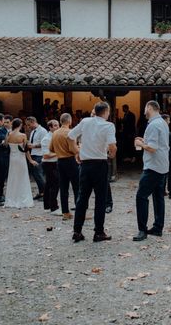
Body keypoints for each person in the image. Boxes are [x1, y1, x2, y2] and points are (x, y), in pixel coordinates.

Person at [68, 102, 117, 243]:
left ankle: (77, 231)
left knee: (82, 198)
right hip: (100, 164)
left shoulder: (85, 121)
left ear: (95, 111)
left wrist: (77, 152)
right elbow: (112, 146)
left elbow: (71, 136)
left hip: (85, 164)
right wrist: (111, 154)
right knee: (100, 199)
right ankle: (99, 232)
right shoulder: (109, 125)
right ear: (106, 111)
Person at [133, 100, 170, 241]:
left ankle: (142, 230)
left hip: (153, 166)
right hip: (162, 165)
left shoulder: (153, 125)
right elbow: (158, 143)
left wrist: (140, 144)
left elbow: (153, 148)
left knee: (141, 196)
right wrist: (144, 140)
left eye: (144, 108)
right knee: (158, 197)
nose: (144, 111)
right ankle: (158, 227)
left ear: (149, 107)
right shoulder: (162, 123)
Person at [50, 113, 79, 220]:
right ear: (69, 121)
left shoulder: (55, 133)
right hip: (70, 160)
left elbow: (51, 148)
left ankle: (65, 212)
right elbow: (73, 149)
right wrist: (80, 149)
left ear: (61, 121)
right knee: (77, 187)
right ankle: (80, 212)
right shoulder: (70, 132)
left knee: (63, 188)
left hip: (60, 161)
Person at [4, 118, 34, 209]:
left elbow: (5, 144)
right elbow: (26, 150)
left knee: (13, 177)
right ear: (20, 125)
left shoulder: (9, 134)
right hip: (21, 159)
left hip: (12, 158)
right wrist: (31, 160)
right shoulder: (23, 135)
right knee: (22, 177)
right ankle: (23, 199)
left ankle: (12, 198)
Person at [25, 117, 47, 200]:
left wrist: (33, 145)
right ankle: (41, 192)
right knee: (35, 175)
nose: (28, 126)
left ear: (33, 122)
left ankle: (45, 194)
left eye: (28, 124)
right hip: (33, 154)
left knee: (39, 174)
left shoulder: (43, 131)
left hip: (40, 155)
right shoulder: (33, 131)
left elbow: (45, 143)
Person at [41, 120, 60, 214]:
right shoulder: (46, 139)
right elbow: (45, 155)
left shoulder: (55, 136)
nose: (57, 127)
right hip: (49, 163)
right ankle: (54, 207)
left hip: (54, 163)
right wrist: (59, 153)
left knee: (49, 184)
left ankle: (47, 205)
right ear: (50, 127)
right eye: (55, 126)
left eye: (58, 125)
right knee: (54, 185)